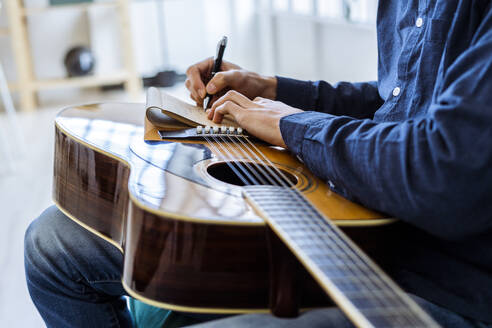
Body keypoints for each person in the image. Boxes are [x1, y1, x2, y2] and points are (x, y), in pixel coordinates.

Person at [25, 1, 492, 327]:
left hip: (445, 283)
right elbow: (400, 102)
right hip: (370, 225)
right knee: (51, 244)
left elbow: (441, 169)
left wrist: (294, 125)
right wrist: (272, 90)